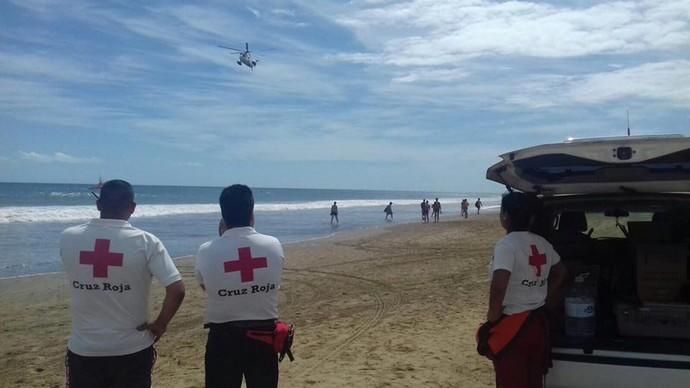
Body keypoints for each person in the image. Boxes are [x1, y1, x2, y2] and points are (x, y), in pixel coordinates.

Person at [60, 179, 186, 388]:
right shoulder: (146, 242)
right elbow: (177, 290)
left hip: (85, 348)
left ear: (99, 205)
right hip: (132, 348)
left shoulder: (68, 238)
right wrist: (160, 325)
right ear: (133, 208)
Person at [195, 184, 285, 388]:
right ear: (252, 212)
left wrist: (222, 239)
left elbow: (207, 288)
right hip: (263, 336)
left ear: (222, 215)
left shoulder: (206, 250)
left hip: (223, 338)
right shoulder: (273, 244)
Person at [478, 192, 567, 388]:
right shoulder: (542, 243)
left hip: (514, 326)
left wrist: (492, 318)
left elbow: (499, 285)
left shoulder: (506, 245)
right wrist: (544, 295)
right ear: (532, 218)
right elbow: (561, 272)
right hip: (537, 324)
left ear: (504, 216)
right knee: (533, 380)